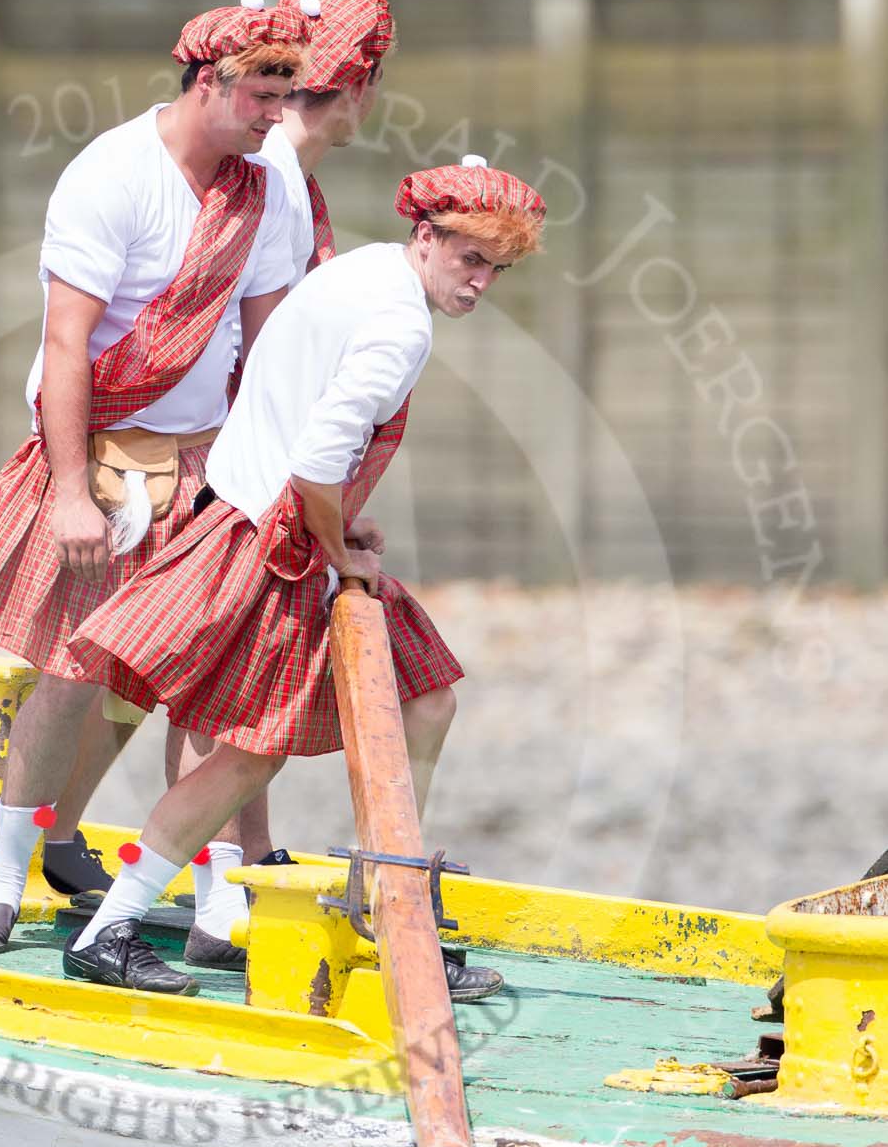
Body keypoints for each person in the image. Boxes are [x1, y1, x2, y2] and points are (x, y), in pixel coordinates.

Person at [64, 156, 547, 997]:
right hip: (270, 541)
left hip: (258, 517)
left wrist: (335, 522)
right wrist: (337, 546)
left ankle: (385, 905)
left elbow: (289, 409)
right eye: (470, 259)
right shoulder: (400, 328)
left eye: (497, 269)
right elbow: (320, 462)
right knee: (250, 757)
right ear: (425, 236)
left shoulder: (360, 271)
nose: (481, 283)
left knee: (424, 698)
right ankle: (113, 931)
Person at [0, 0, 310, 955]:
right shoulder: (111, 174)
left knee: (203, 685)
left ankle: (216, 906)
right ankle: (3, 879)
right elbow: (66, 346)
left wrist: (279, 482)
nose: (278, 116)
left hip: (205, 458)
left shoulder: (263, 189)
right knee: (65, 677)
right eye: (264, 95)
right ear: (207, 82)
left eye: (287, 95)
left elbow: (270, 343)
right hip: (103, 447)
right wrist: (70, 492)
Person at [172, 0, 397, 942]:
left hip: (225, 454)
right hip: (222, 461)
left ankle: (237, 871)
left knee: (219, 678)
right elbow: (241, 343)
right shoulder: (272, 184)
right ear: (355, 85)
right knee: (216, 679)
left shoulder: (267, 174)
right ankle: (221, 890)